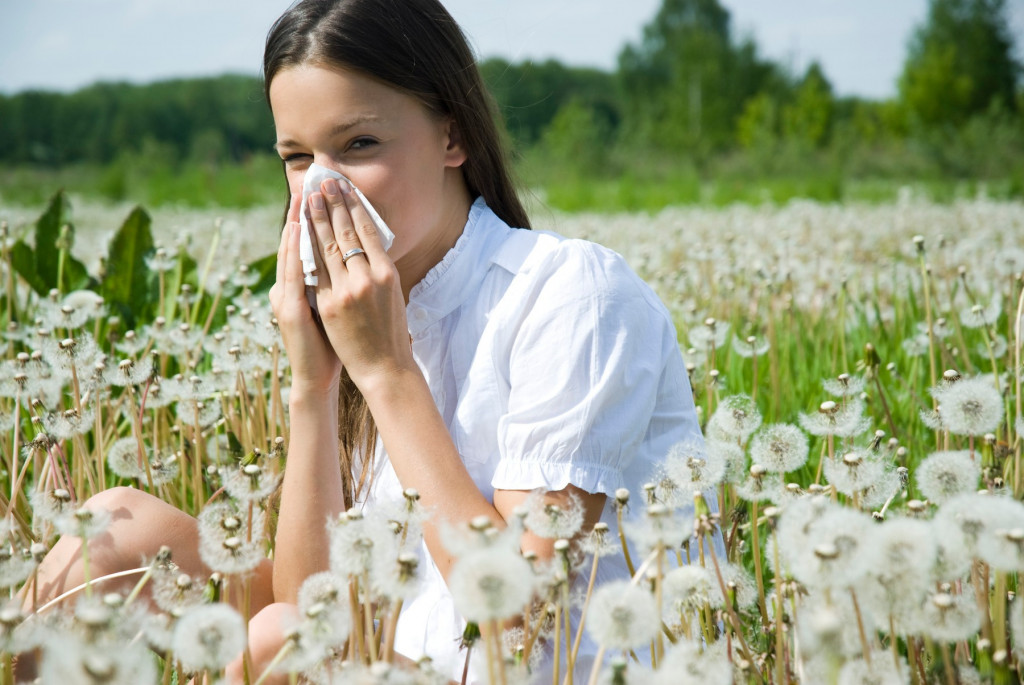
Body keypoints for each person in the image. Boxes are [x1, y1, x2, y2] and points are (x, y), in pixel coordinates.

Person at [23, 0, 711, 682]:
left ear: (452, 135)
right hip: (391, 653)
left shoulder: (571, 294)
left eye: (358, 145)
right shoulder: (365, 311)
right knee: (113, 527)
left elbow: (519, 623)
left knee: (280, 638)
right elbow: (311, 597)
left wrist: (387, 373)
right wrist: (312, 386)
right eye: (297, 157)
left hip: (533, 670)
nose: (322, 188)